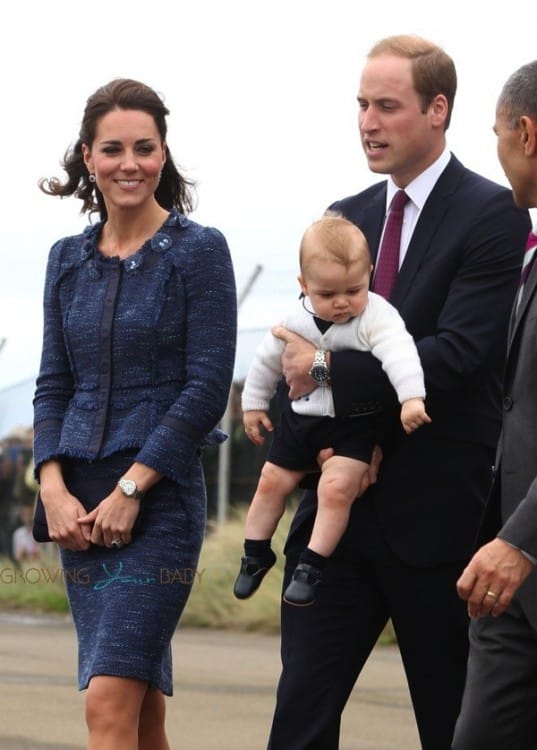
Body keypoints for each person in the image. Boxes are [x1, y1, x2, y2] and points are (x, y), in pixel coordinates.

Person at [266, 35, 531, 750]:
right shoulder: (342, 214)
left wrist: (324, 374)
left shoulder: (495, 213)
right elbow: (297, 346)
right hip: (335, 517)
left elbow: (458, 358)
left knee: (450, 729)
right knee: (297, 725)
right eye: (360, 105)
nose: (367, 122)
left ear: (437, 109)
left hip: (439, 528)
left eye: (386, 106)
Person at [32, 79, 236, 750]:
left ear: (163, 154)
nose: (129, 163)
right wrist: (52, 490)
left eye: (144, 148)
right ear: (88, 157)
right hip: (78, 516)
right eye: (112, 148)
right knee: (139, 713)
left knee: (106, 704)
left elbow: (205, 388)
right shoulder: (65, 261)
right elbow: (53, 386)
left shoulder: (198, 252)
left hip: (157, 507)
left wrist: (131, 488)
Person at [233, 214, 430, 606]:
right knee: (271, 480)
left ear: (369, 274)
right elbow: (267, 361)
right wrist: (252, 405)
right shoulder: (296, 317)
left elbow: (401, 355)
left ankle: (313, 563)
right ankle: (255, 553)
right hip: (302, 420)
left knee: (336, 488)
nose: (342, 303)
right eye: (327, 294)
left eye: (353, 290)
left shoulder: (377, 315)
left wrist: (412, 398)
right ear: (304, 287)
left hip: (354, 426)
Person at [452, 61, 537, 750]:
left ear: (526, 132)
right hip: (507, 586)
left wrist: (518, 540)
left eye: (496, 133)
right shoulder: (530, 253)